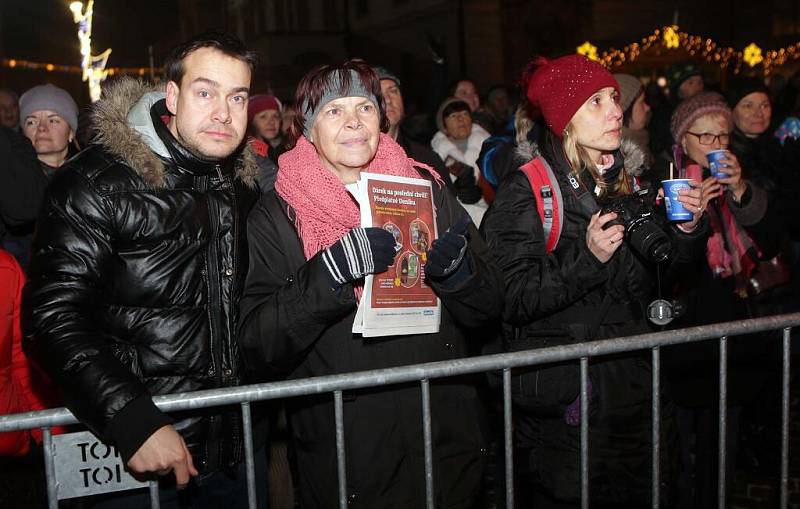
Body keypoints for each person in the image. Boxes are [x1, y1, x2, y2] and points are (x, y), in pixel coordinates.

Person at [238, 59, 503, 508]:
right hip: (351, 459)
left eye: (364, 107)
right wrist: (327, 274)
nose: (354, 123)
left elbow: (492, 304)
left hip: (445, 443)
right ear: (307, 127)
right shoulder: (279, 213)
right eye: (334, 111)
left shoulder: (426, 187)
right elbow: (259, 344)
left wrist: (461, 276)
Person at [23, 31, 265, 508]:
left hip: (233, 452)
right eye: (205, 92)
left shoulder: (238, 184)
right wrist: (133, 420)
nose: (223, 112)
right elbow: (52, 316)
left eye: (237, 97)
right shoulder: (95, 181)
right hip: (132, 458)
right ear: (171, 96)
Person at [480, 54, 709, 508]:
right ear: (565, 119)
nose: (615, 110)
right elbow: (509, 298)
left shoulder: (629, 181)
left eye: (613, 99)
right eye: (596, 102)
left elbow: (664, 277)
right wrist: (586, 259)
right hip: (569, 407)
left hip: (638, 394)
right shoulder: (527, 191)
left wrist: (687, 231)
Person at [646, 91, 781, 508]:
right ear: (682, 138)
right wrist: (690, 222)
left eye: (723, 136)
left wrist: (739, 189)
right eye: (705, 137)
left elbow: (773, 242)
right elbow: (663, 267)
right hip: (686, 332)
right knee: (678, 441)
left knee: (722, 435)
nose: (716, 146)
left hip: (729, 331)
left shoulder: (734, 186)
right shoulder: (664, 183)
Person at [4, 84, 81, 270]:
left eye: (53, 120)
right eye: (31, 122)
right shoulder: (9, 185)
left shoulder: (90, 180)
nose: (42, 128)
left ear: (71, 132)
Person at [374, 66, 455, 194]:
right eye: (378, 94)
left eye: (393, 91)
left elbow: (450, 209)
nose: (388, 100)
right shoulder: (355, 163)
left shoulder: (427, 160)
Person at [431, 97, 492, 225]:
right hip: (454, 221)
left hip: (490, 218)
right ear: (444, 125)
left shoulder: (490, 148)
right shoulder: (435, 156)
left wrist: (483, 194)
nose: (460, 119)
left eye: (465, 114)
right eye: (453, 116)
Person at [649, 63, 705, 157]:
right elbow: (658, 147)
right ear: (678, 88)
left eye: (700, 82)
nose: (697, 87)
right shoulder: (664, 115)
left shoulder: (708, 111)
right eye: (690, 83)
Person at [614, 73, 653, 165]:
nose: (647, 107)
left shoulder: (642, 145)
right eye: (641, 102)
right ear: (625, 108)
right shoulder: (616, 161)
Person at [248, 94, 287, 165]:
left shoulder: (277, 151)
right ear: (251, 121)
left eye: (276, 116)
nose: (271, 122)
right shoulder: (246, 155)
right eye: (263, 116)